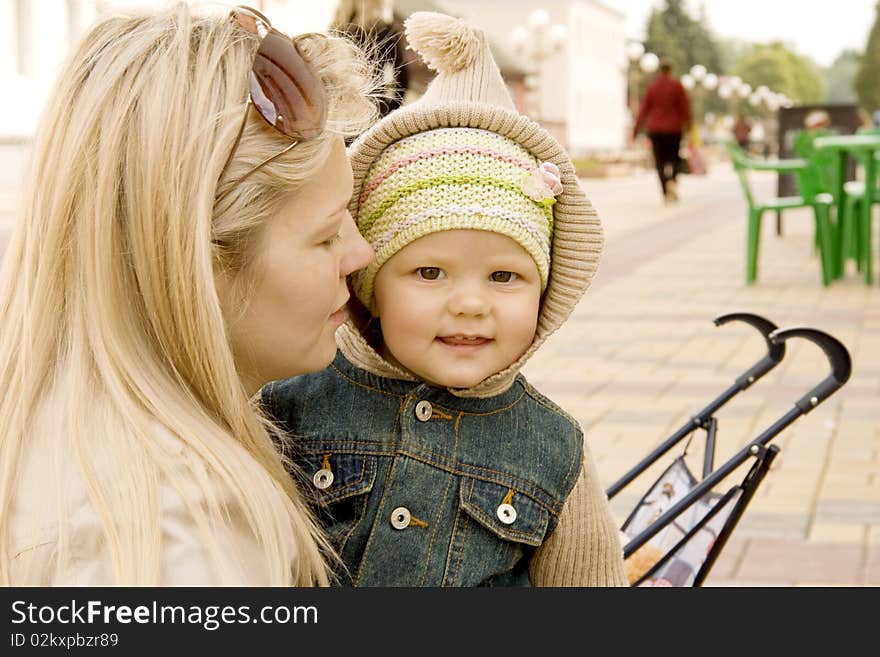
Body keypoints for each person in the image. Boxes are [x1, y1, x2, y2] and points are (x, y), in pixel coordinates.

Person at [0, 3, 377, 585]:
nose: (360, 254)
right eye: (325, 234)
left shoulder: (46, 424)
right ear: (193, 261)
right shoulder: (188, 536)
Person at [262, 12, 628, 587]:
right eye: (430, 272)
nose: (470, 304)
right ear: (369, 286)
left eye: (504, 277)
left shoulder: (554, 450)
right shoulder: (289, 403)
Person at [632, 58, 692, 203]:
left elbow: (644, 109)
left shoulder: (653, 87)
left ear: (660, 70)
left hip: (656, 129)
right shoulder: (677, 86)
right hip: (674, 129)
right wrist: (688, 126)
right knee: (675, 159)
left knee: (659, 161)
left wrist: (636, 130)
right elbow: (684, 108)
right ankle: (672, 180)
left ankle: (665, 192)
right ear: (670, 70)